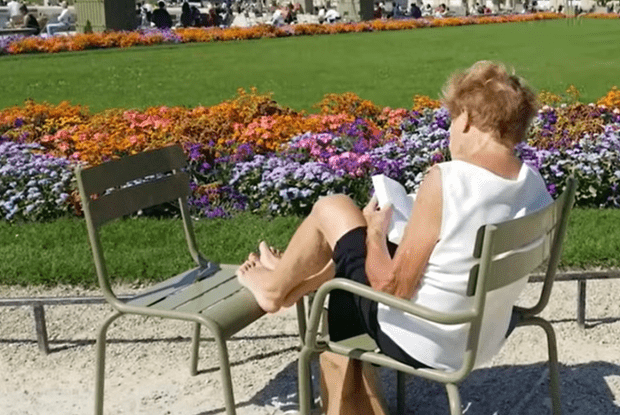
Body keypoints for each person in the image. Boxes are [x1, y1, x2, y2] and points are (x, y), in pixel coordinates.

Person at [236, 61, 553, 374]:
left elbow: (391, 287)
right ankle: (293, 278)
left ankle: (274, 291)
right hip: (482, 337)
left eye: (452, 120)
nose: (451, 131)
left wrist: (374, 234)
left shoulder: (448, 179)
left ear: (468, 120)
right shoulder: (534, 185)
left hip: (421, 340)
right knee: (359, 233)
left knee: (334, 208)